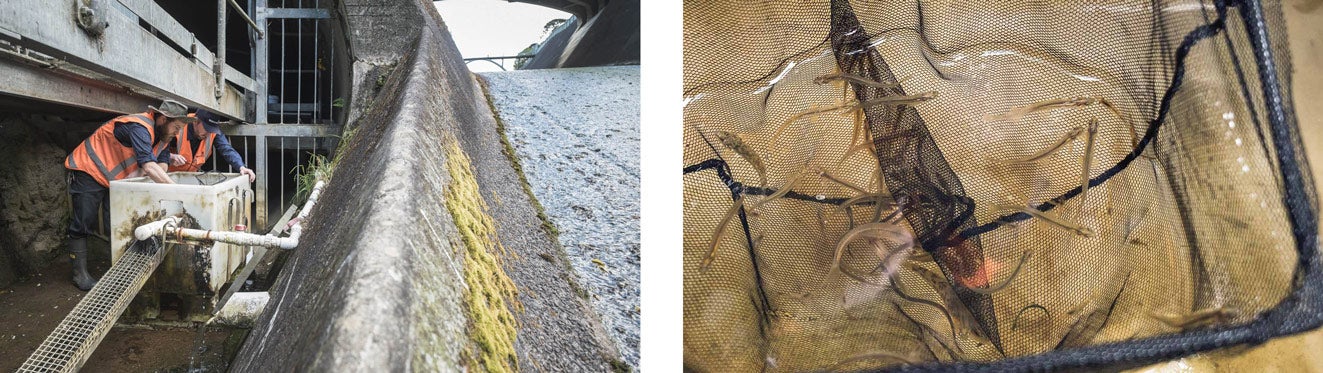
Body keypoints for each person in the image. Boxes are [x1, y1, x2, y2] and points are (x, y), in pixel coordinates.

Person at [62, 99, 194, 291]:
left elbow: (162, 164)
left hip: (114, 179)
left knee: (116, 221)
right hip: (89, 168)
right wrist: (180, 192)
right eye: (177, 127)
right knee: (84, 220)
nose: (178, 133)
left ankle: (120, 268)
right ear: (163, 119)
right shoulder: (140, 127)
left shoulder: (163, 136)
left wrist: (159, 182)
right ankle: (79, 274)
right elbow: (149, 166)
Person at [168, 109, 255, 182]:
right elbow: (160, 150)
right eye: (207, 128)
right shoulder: (179, 126)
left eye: (211, 129)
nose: (209, 133)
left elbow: (226, 149)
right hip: (168, 177)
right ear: (196, 122)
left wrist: (241, 166)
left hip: (190, 179)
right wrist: (171, 156)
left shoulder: (213, 132)